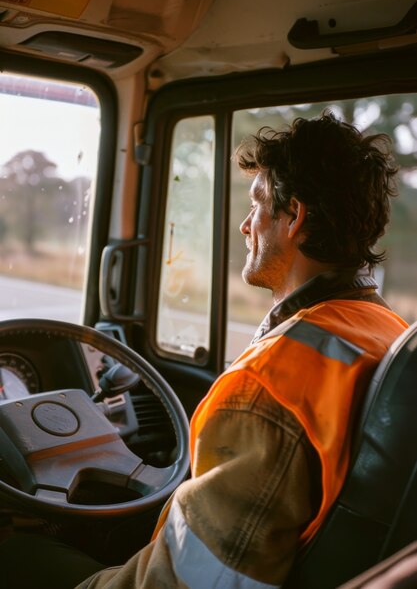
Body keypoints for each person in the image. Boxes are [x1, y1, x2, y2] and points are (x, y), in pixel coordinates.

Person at [0, 111, 409, 588]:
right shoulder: (388, 331)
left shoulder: (268, 383)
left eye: (256, 204)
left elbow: (189, 583)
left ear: (294, 217)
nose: (244, 225)